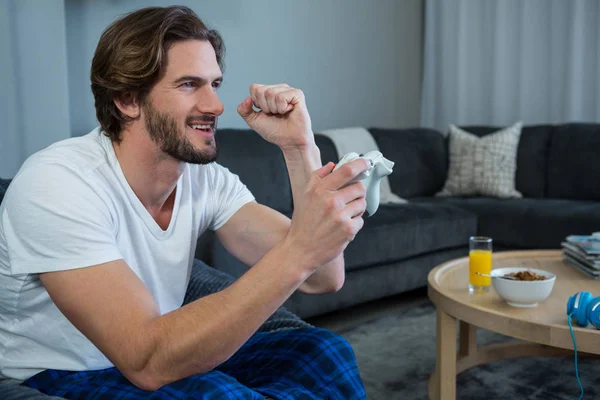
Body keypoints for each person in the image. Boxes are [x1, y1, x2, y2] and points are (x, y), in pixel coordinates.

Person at [0, 5, 370, 400]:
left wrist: (299, 148)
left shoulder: (204, 179)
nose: (215, 105)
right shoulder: (57, 183)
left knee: (325, 352)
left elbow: (323, 277)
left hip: (155, 352)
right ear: (127, 100)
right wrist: (299, 249)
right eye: (189, 84)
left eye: (215, 83)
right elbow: (146, 360)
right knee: (217, 393)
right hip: (59, 373)